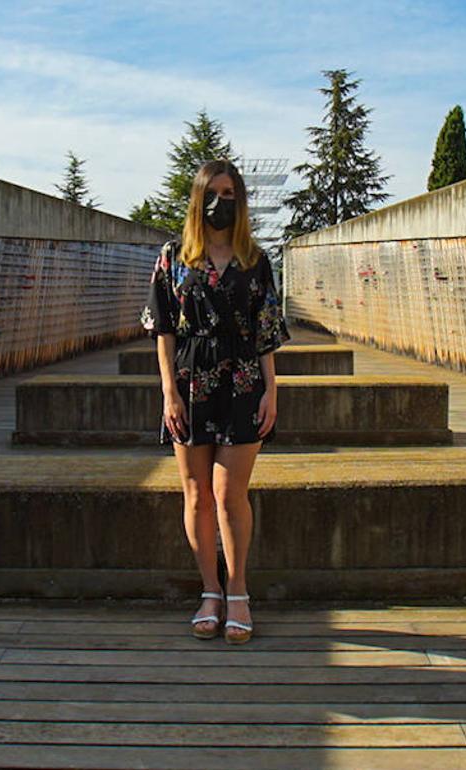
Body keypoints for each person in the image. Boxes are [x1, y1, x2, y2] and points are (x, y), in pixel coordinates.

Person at [140, 159, 290, 645]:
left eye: (229, 193)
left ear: (240, 200)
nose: (220, 202)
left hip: (243, 380)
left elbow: (266, 333)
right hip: (189, 384)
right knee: (197, 493)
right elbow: (162, 330)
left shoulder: (255, 259)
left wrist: (272, 389)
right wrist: (167, 393)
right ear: (197, 199)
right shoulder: (173, 257)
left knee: (229, 493)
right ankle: (209, 591)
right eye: (212, 192)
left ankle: (238, 589)